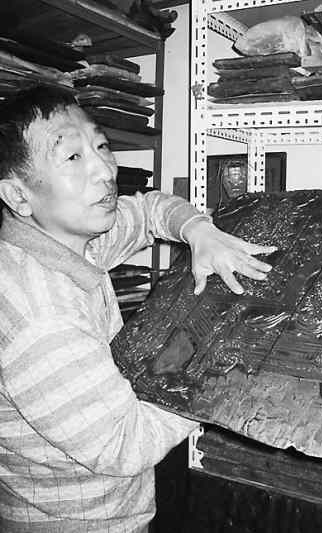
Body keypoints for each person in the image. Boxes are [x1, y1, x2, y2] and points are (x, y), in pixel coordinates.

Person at [0, 86, 275, 533]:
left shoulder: (65, 238)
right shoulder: (42, 316)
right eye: (72, 157)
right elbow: (126, 444)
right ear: (18, 195)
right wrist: (223, 374)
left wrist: (198, 230)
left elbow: (149, 209)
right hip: (79, 523)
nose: (104, 170)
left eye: (101, 146)